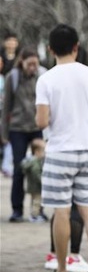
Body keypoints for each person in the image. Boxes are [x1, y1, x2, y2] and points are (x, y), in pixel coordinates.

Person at [35, 24, 88, 272]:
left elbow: (42, 120)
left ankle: (61, 271)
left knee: (60, 212)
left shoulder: (46, 79)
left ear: (50, 49)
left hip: (59, 151)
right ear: (76, 47)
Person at [1, 47, 46, 222]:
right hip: (18, 128)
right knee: (19, 169)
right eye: (30, 64)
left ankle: (38, 210)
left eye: (36, 64)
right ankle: (17, 209)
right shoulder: (13, 77)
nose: (33, 67)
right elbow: (6, 109)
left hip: (37, 127)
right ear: (22, 62)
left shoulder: (43, 76)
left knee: (40, 170)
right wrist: (4, 134)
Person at [20, 137, 47, 222]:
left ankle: (35, 214)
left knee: (34, 201)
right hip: (37, 186)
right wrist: (43, 181)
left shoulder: (32, 161)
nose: (45, 154)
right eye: (44, 151)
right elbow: (37, 174)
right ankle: (34, 216)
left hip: (33, 186)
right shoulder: (35, 162)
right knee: (37, 202)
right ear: (37, 151)